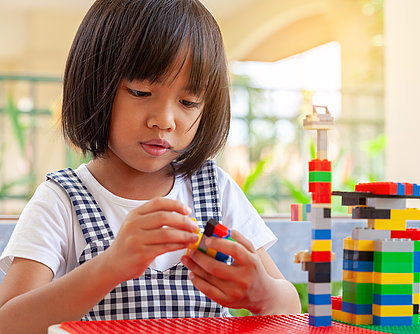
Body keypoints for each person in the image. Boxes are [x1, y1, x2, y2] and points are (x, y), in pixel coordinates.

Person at [0, 0, 301, 332]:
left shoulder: (215, 190)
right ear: (95, 84)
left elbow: (289, 308)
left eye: (188, 102)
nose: (165, 120)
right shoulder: (62, 201)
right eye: (142, 91)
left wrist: (264, 294)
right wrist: (110, 266)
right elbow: (9, 322)